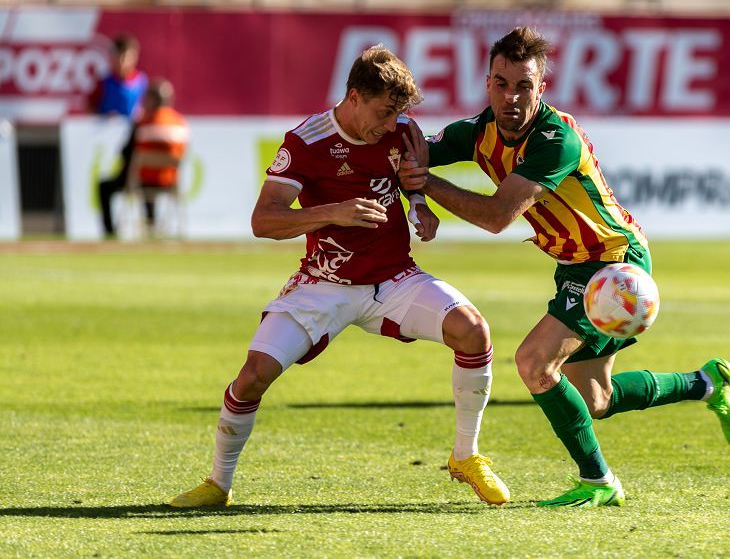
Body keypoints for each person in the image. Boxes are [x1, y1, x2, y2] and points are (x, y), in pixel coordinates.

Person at [398, 27, 730, 507]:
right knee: (595, 400)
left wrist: (426, 185)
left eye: (524, 85)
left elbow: (499, 215)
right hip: (575, 265)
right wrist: (410, 184)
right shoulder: (478, 133)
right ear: (487, 84)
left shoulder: (554, 139)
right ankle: (705, 383)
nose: (512, 96)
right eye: (501, 83)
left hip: (612, 265)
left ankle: (599, 481)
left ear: (541, 89)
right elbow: (407, 155)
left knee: (533, 363)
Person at [168, 45, 509, 508]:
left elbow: (410, 183)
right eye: (383, 112)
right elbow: (263, 221)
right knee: (252, 377)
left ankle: (466, 457)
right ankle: (218, 484)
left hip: (393, 280)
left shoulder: (403, 130)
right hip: (322, 284)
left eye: (398, 114)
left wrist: (422, 210)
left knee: (473, 331)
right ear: (354, 96)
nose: (391, 125)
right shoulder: (306, 141)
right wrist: (335, 213)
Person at [97, 78, 188, 237]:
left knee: (107, 185)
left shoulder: (143, 123)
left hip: (141, 180)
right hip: (169, 181)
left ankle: (110, 233)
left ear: (152, 99)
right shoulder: (180, 123)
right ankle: (151, 222)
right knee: (144, 172)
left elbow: (126, 152)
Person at [86, 33, 148, 118]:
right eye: (117, 56)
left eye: (125, 57)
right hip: (107, 130)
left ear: (134, 57)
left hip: (134, 129)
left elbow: (147, 109)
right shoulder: (103, 82)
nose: (121, 62)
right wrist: (103, 117)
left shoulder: (142, 81)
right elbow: (89, 106)